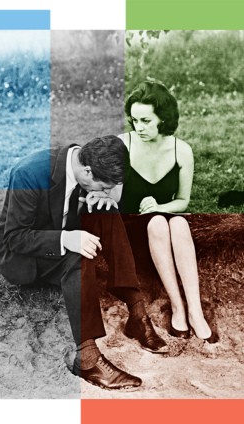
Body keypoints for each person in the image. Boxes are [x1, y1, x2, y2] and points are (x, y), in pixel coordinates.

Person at [0, 135, 168, 393]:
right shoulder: (29, 172)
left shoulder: (87, 163)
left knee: (108, 211)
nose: (108, 191)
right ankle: (87, 358)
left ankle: (137, 314)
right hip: (23, 255)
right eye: (104, 186)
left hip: (60, 229)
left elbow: (87, 199)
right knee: (78, 253)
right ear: (86, 171)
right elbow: (14, 237)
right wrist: (68, 238)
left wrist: (102, 199)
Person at [114, 81, 218, 343]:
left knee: (178, 223)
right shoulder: (121, 145)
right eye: (135, 120)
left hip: (166, 225)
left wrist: (160, 207)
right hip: (132, 227)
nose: (139, 127)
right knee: (159, 223)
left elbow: (183, 200)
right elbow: (109, 196)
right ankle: (177, 308)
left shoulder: (181, 150)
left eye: (147, 120)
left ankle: (194, 311)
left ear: (164, 117)